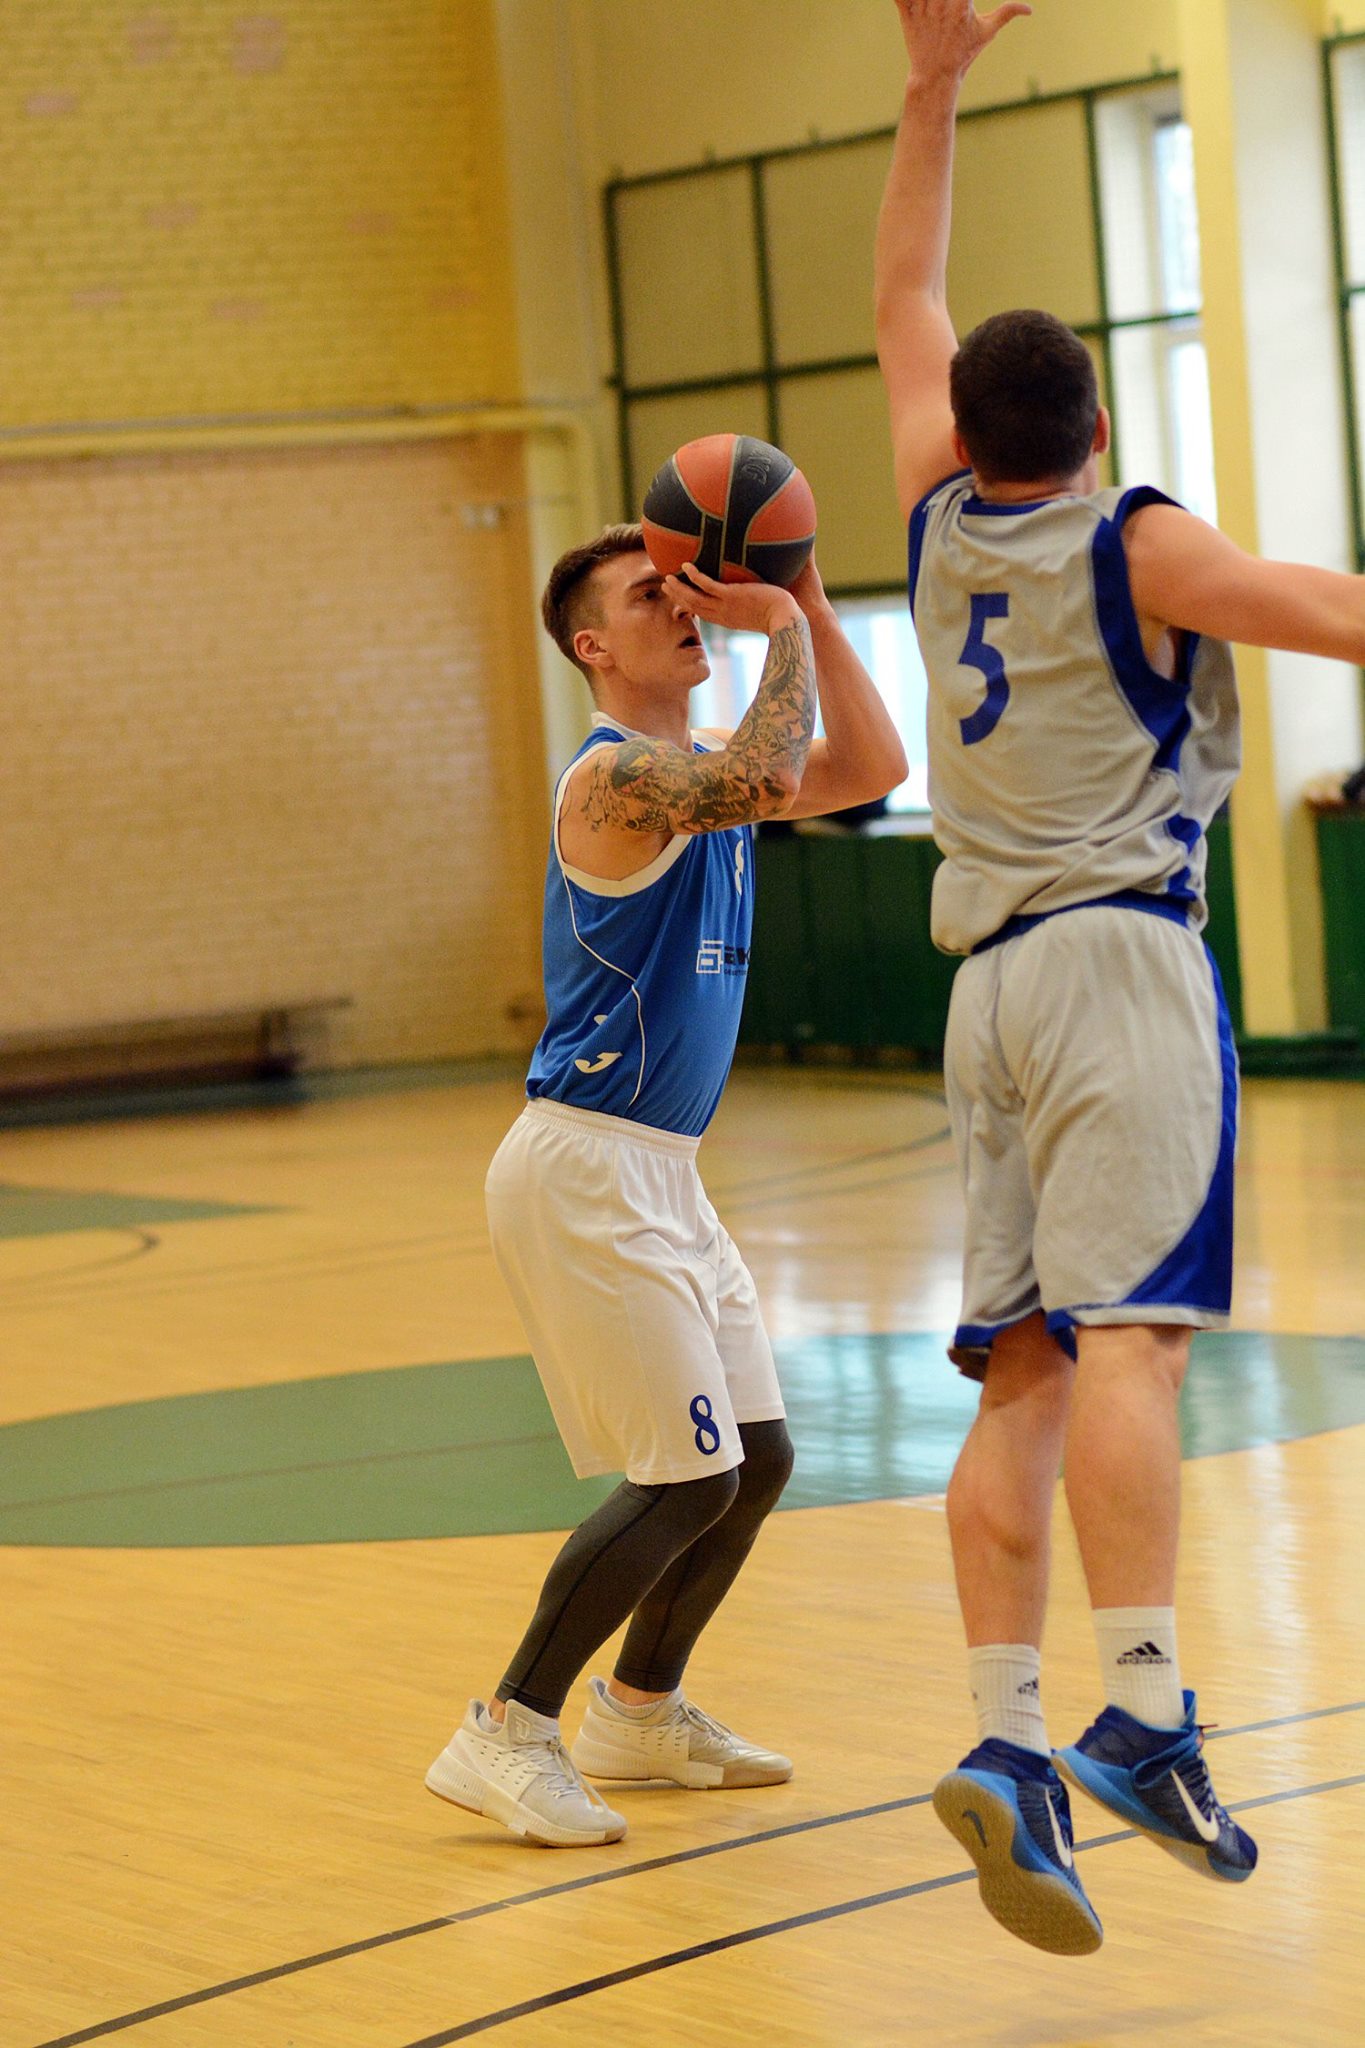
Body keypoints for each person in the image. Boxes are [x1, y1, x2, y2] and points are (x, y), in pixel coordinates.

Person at [876, 0, 1365, 1957]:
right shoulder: (1135, 540)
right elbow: (1328, 611)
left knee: (1024, 1370)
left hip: (981, 988)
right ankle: (1144, 1710)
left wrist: (930, 89)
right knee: (1135, 1348)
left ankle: (1005, 1740)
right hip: (1115, 962)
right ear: (1094, 428)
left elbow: (902, 294)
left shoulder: (930, 515)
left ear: (968, 431)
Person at [426, 525, 908, 1847]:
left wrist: (810, 601)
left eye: (688, 589)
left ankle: (638, 1713)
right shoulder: (618, 779)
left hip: (663, 1170)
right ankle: (504, 1728)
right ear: (592, 647)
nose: (686, 608)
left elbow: (874, 770)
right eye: (653, 596)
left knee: (756, 1459)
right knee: (685, 1480)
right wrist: (781, 624)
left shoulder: (703, 781)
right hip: (584, 1165)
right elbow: (771, 765)